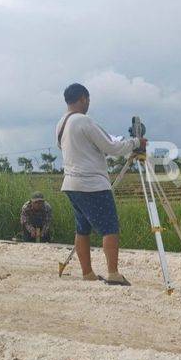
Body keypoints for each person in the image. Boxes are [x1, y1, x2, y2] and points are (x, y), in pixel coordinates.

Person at [56, 83, 145, 286]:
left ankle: (87, 273)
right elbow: (111, 147)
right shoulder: (84, 121)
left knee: (82, 229)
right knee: (109, 227)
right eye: (88, 100)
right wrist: (135, 143)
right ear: (83, 99)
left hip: (71, 184)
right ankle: (113, 273)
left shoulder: (61, 123)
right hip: (92, 184)